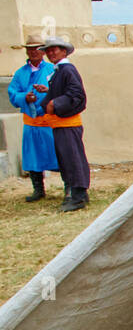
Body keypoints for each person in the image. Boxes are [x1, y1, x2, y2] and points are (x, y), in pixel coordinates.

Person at [37, 35, 91, 212]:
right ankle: (78, 194)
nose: (51, 52)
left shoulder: (67, 70)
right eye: (48, 50)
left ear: (64, 51)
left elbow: (77, 95)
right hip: (61, 124)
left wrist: (55, 104)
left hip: (68, 124)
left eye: (55, 49)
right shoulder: (59, 70)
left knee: (72, 159)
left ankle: (77, 197)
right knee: (68, 159)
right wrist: (48, 97)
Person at [7, 34, 60, 202]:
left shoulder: (52, 70)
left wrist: (47, 91)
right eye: (30, 49)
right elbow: (13, 94)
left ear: (43, 52)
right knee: (33, 157)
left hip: (48, 121)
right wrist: (25, 98)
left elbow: (60, 90)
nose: (34, 52)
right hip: (31, 123)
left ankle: (69, 188)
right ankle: (38, 189)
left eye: (37, 48)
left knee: (58, 155)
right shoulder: (20, 74)